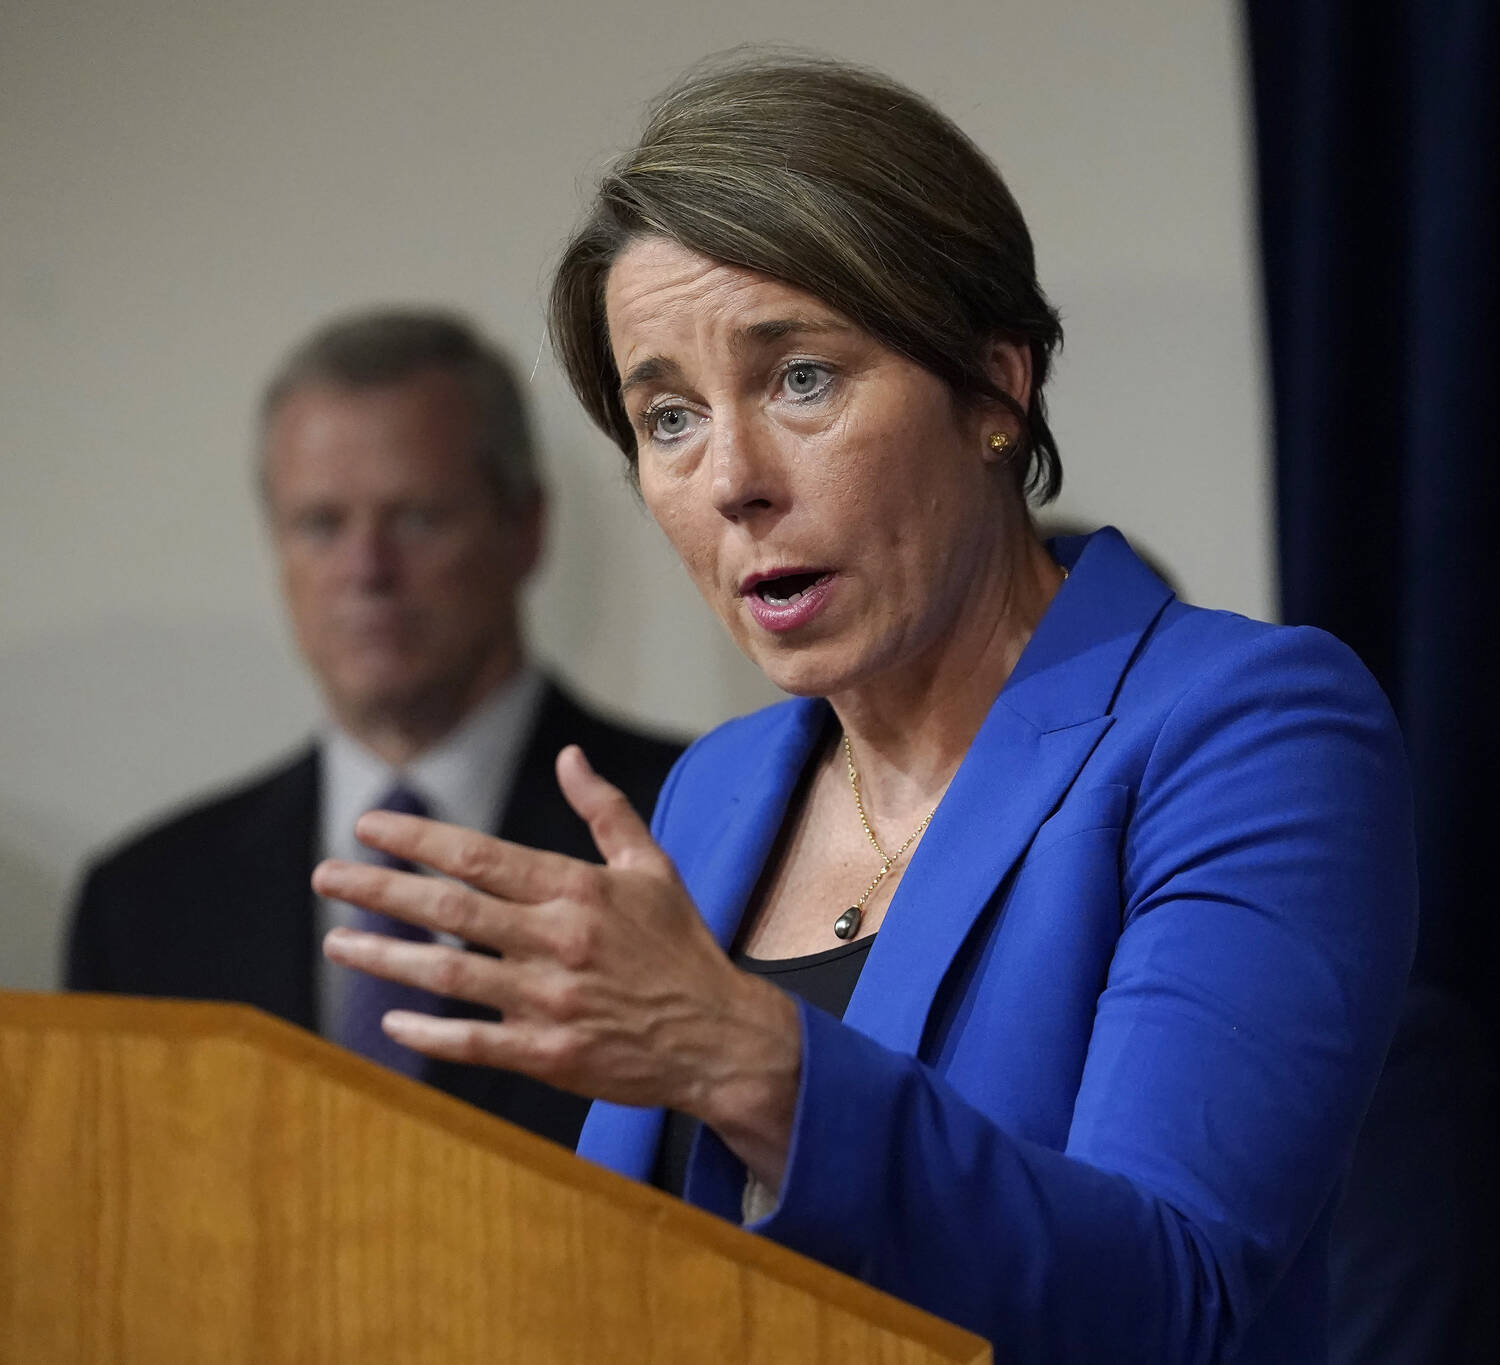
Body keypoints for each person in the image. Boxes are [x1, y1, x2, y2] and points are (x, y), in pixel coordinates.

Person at [314, 57, 1416, 1362]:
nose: (731, 479)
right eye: (666, 414)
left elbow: (1168, 1301)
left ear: (995, 390)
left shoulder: (1244, 733)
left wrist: (752, 1062)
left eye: (800, 380)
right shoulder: (714, 791)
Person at [65, 309, 685, 1150]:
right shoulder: (142, 902)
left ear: (526, 528)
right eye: (321, 524)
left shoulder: (690, 827)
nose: (366, 570)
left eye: (418, 517)